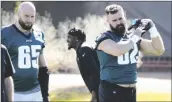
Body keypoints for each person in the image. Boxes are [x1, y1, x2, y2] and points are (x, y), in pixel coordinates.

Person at [95, 4, 165, 102]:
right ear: (108, 22)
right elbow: (118, 50)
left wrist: (152, 29)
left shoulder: (131, 37)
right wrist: (136, 35)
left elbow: (158, 50)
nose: (119, 22)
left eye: (120, 18)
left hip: (131, 91)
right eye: (114, 20)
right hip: (111, 90)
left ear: (125, 17)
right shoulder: (104, 38)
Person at [1, 2, 49, 102]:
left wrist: (45, 95)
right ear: (18, 14)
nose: (29, 20)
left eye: (32, 16)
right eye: (26, 16)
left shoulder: (39, 34)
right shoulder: (4, 33)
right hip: (14, 92)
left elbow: (43, 66)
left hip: (36, 91)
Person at [67, 28, 100, 102]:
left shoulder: (84, 49)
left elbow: (94, 72)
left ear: (77, 39)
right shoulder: (81, 50)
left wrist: (94, 95)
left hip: (102, 91)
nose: (67, 40)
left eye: (69, 37)